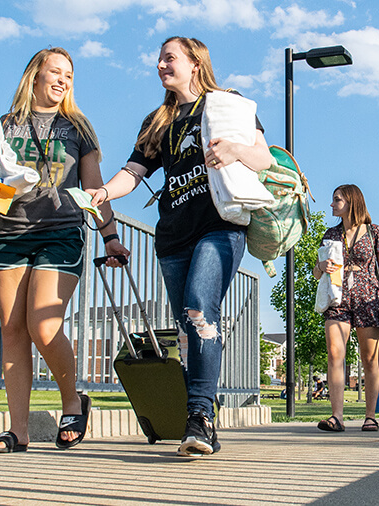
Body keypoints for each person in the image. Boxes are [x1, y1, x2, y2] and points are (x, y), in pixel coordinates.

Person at [87, 36, 273, 456]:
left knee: (199, 308)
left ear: (195, 63)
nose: (160, 64)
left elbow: (264, 158)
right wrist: (104, 193)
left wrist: (236, 149)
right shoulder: (157, 120)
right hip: (172, 236)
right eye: (158, 59)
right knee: (190, 331)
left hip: (219, 226)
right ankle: (202, 412)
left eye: (169, 57)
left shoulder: (226, 104)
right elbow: (133, 172)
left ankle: (199, 415)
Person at [0, 47, 129, 453]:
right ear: (35, 76)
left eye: (69, 75)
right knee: (11, 330)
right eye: (55, 73)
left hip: (61, 231)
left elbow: (95, 187)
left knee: (43, 326)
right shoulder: (6, 125)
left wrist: (109, 235)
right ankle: (18, 431)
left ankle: (72, 401)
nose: (62, 81)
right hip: (11, 229)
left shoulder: (78, 128)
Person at [313, 184, 379, 433]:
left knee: (370, 359)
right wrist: (321, 266)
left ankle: (371, 416)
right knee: (334, 352)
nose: (331, 204)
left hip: (367, 298)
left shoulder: (375, 232)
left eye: (336, 200)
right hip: (337, 296)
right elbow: (315, 271)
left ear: (351, 202)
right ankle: (337, 417)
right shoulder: (330, 234)